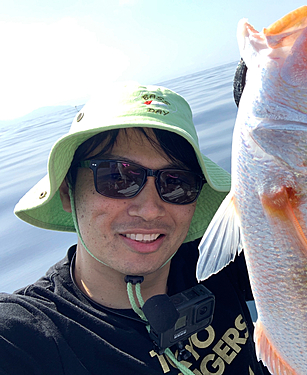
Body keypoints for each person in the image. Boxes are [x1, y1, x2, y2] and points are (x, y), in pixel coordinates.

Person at [0, 82, 270, 375]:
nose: (151, 209)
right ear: (68, 192)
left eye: (176, 182)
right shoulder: (29, 337)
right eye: (117, 178)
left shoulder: (217, 257)